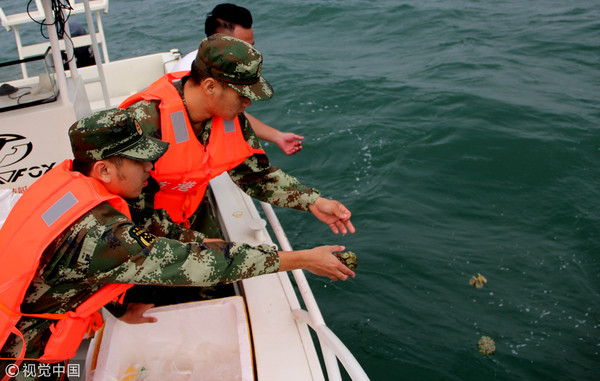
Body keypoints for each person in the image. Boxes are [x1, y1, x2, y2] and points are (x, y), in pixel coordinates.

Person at [0, 108, 354, 377]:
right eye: (140, 161)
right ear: (105, 170)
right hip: (18, 360)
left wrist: (121, 308)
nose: (150, 169)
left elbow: (83, 268)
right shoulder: (100, 234)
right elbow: (205, 265)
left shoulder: (68, 183)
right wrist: (303, 259)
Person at [121, 34, 355, 238]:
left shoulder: (230, 117)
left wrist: (313, 202)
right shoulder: (143, 122)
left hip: (192, 212)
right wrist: (195, 244)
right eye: (242, 94)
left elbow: (255, 176)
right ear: (210, 87)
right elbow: (128, 209)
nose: (248, 102)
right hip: (145, 232)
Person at [172, 3, 304, 156]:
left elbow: (233, 111)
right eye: (242, 48)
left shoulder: (228, 68)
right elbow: (179, 134)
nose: (251, 54)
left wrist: (277, 136)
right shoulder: (189, 75)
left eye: (252, 47)